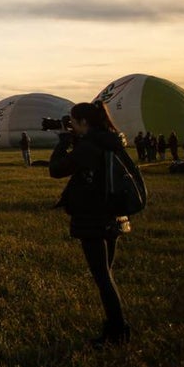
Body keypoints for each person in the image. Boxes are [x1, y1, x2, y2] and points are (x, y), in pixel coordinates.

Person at [48, 100, 147, 348]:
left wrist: (62, 143)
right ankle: (115, 328)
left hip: (92, 218)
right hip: (113, 215)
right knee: (106, 275)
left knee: (102, 278)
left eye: (73, 122)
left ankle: (117, 331)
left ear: (83, 122)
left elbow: (56, 170)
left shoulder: (89, 147)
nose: (71, 126)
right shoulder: (111, 141)